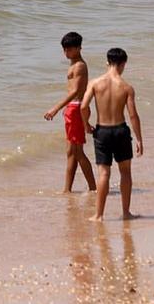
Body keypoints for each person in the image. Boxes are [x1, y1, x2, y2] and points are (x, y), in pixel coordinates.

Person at [80, 48, 143, 221]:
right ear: (124, 64)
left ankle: (98, 215)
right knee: (125, 172)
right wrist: (139, 139)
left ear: (107, 62)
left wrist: (86, 125)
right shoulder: (127, 87)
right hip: (120, 131)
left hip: (102, 131)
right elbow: (133, 115)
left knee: (103, 174)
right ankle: (126, 213)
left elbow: (83, 106)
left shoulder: (94, 83)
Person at [42, 32, 99, 194]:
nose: (66, 52)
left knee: (78, 152)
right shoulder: (74, 64)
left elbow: (75, 91)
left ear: (79, 48)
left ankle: (94, 189)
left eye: (69, 49)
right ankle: (67, 190)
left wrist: (56, 108)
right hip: (72, 109)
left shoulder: (80, 65)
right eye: (64, 49)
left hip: (76, 108)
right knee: (70, 151)